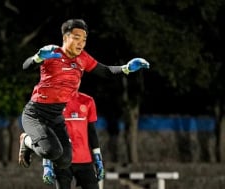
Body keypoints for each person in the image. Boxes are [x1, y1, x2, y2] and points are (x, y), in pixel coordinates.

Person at [19, 19, 149, 171]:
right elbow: (26, 67)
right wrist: (38, 58)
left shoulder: (83, 58)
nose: (81, 43)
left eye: (84, 39)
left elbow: (106, 71)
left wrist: (126, 68)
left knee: (65, 161)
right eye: (76, 38)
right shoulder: (52, 53)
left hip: (56, 116)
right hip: (36, 113)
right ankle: (26, 140)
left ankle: (40, 144)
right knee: (51, 151)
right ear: (65, 38)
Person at [42, 91, 104, 189]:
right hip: (62, 161)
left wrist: (98, 160)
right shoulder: (53, 102)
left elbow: (92, 132)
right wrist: (46, 164)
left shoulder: (88, 100)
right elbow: (49, 134)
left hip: (84, 161)